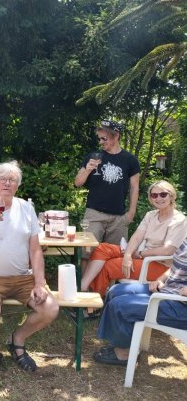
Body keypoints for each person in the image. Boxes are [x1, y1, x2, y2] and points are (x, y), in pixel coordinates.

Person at [0, 160, 59, 379]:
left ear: (17, 185)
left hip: (22, 277)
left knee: (50, 308)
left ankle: (17, 339)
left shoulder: (26, 208)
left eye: (13, 180)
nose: (7, 183)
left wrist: (39, 282)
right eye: (3, 179)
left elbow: (35, 250)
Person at [81, 180, 186, 297]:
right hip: (142, 256)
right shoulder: (151, 215)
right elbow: (137, 237)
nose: (158, 198)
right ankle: (83, 288)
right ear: (151, 198)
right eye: (154, 195)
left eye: (163, 194)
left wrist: (140, 254)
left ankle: (94, 303)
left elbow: (168, 250)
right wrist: (127, 255)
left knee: (109, 265)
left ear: (171, 196)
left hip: (160, 265)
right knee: (102, 248)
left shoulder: (179, 220)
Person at [93, 236, 187, 367]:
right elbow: (175, 268)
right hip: (167, 291)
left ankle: (124, 354)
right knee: (115, 291)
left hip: (180, 306)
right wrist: (160, 279)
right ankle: (119, 343)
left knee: (119, 306)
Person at [74, 120, 140, 244]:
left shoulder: (130, 160)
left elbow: (134, 188)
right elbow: (77, 182)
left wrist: (131, 213)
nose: (101, 142)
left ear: (116, 136)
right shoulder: (93, 156)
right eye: (99, 139)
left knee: (115, 256)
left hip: (118, 217)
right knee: (87, 254)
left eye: (104, 139)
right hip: (94, 214)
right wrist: (87, 170)